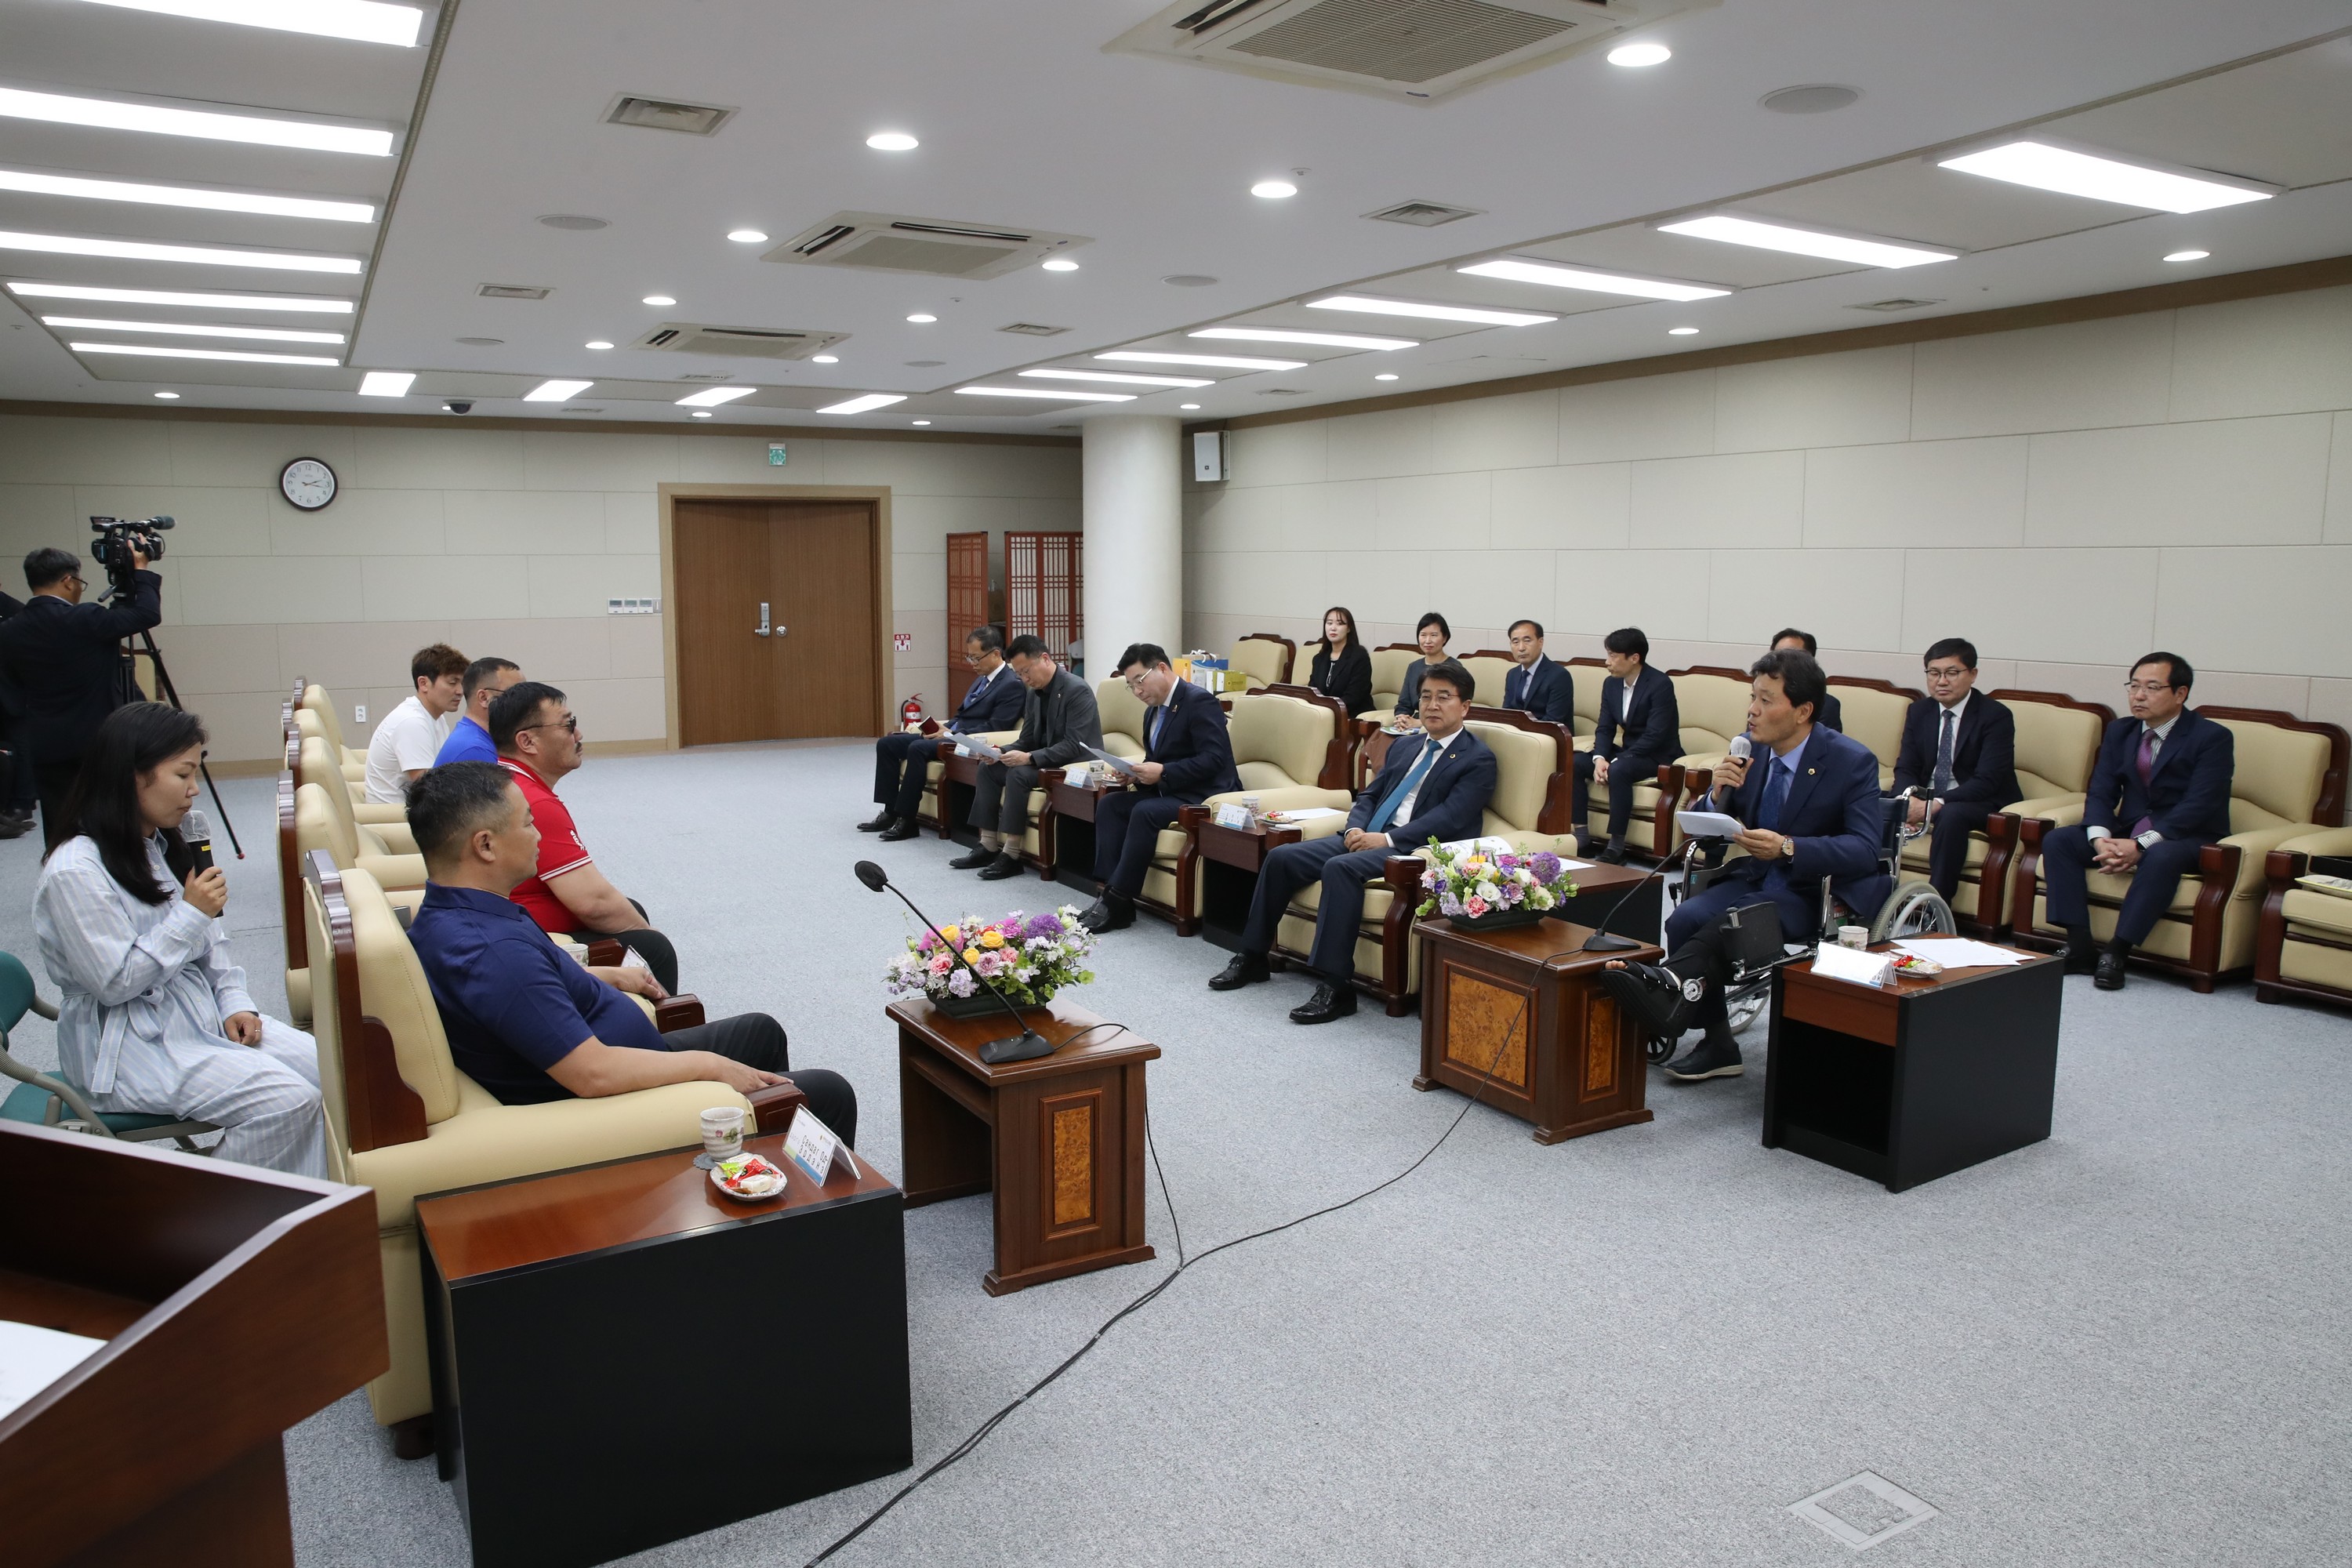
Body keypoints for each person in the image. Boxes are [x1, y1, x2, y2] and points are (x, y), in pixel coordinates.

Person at [401, 763, 856, 1138]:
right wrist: (710, 1067)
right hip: (613, 1098)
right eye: (527, 823)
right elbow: (592, 1073)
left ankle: (761, 1153)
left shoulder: (459, 911)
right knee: (829, 1093)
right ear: (485, 845)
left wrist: (613, 977)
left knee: (761, 1032)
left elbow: (536, 988)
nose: (539, 833)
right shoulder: (493, 953)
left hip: (620, 1048)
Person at [32, 704, 325, 1174]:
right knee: (287, 1102)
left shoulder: (156, 844)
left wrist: (235, 1002)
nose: (194, 790)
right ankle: (207, 1222)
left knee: (333, 1071)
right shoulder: (76, 871)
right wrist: (189, 914)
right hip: (128, 1046)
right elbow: (115, 982)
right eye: (183, 774)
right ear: (132, 777)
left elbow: (213, 944)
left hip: (194, 1017)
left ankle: (298, 1213)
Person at [1598, 651, 1888, 1083]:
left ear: (1803, 711)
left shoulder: (1851, 761)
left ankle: (1669, 987)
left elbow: (1865, 848)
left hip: (1812, 890)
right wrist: (1717, 795)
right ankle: (1718, 1043)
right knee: (1685, 918)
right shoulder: (1750, 750)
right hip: (1755, 875)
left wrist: (1790, 847)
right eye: (1753, 697)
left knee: (1733, 922)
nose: (1752, 710)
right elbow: (1712, 828)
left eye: (1767, 701)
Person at [1211, 659, 1496, 1024]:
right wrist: (1354, 830)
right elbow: (1368, 794)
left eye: (1444, 697)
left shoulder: (1478, 758)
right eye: (1425, 697)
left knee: (1340, 869)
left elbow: (1451, 818)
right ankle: (1252, 956)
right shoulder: (1406, 746)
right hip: (1369, 836)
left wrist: (1387, 838)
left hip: (1413, 848)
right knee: (1282, 857)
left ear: (1465, 706)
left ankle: (1336, 986)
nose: (1432, 705)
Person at [2038, 652, 2233, 991]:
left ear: (2181, 693)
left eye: (2152, 688)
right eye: (2134, 686)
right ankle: (2080, 944)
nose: (2139, 696)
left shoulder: (2211, 737)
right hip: (2128, 830)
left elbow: (2200, 804)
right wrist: (2100, 838)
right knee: (2061, 840)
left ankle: (2117, 951)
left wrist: (2142, 844)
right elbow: (2101, 791)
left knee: (2161, 856)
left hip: (2187, 835)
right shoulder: (2121, 731)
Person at [489, 681, 681, 994]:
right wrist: (650, 933)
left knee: (631, 912)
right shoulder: (532, 803)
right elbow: (594, 903)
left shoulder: (506, 780)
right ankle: (658, 1039)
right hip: (522, 940)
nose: (578, 735)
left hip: (508, 925)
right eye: (569, 725)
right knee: (652, 946)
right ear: (527, 741)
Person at [0, 545, 162, 849]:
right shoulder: (86, 619)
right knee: (109, 815)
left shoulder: (9, 630)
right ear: (68, 581)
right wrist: (140, 571)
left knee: (60, 823)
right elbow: (146, 614)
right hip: (97, 738)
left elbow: (11, 690)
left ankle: (63, 880)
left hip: (45, 742)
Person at [1077, 643, 1243, 933]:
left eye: (1140, 681)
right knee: (1111, 804)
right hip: (1171, 789)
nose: (1138, 691)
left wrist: (1164, 772)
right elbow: (1157, 759)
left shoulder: (1198, 701)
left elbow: (1214, 760)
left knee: (1144, 810)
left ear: (1162, 669)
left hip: (1204, 794)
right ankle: (1108, 892)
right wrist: (1136, 773)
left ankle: (1116, 899)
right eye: (1131, 686)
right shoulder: (1152, 710)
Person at [952, 634, 1102, 882]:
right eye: (1020, 674)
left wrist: (1029, 757)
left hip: (1072, 764)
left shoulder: (1077, 690)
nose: (1025, 679)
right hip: (1041, 759)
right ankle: (988, 844)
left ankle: (1011, 855)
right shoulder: (1033, 693)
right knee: (988, 769)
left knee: (1019, 774)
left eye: (1026, 671)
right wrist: (1000, 752)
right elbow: (1027, 738)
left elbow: (1075, 745)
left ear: (1044, 658)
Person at [861, 626, 1025, 841]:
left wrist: (952, 733)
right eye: (970, 658)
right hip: (952, 732)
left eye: (977, 658)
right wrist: (944, 728)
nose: (973, 664)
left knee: (917, 748)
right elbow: (962, 714)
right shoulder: (982, 678)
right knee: (887, 744)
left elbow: (996, 726)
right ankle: (890, 810)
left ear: (995, 654)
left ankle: (907, 819)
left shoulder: (1011, 685)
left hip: (970, 740)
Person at [1888, 638, 2017, 901]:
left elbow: (1988, 780)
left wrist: (1936, 803)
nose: (1941, 681)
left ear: (1973, 674)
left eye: (1951, 673)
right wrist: (1907, 802)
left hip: (1978, 799)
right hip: (1929, 794)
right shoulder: (1919, 711)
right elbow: (1907, 766)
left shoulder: (1995, 715)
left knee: (1951, 815)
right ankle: (1872, 897)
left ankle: (1936, 904)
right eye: (1934, 673)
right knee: (1875, 800)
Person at [1575, 627, 1680, 863]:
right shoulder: (1611, 684)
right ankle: (1582, 838)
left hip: (1657, 755)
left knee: (1619, 770)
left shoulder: (1660, 684)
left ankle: (1616, 846)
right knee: (1574, 762)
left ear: (1634, 658)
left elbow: (1656, 735)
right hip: (1629, 751)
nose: (1607, 662)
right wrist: (1599, 758)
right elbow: (1604, 728)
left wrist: (1615, 761)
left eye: (1613, 656)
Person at [365, 643, 466, 804]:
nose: (460, 691)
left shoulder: (436, 717)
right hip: (394, 820)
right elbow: (429, 790)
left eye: (462, 683)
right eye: (452, 683)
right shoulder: (412, 722)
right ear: (423, 683)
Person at [434, 656, 522, 768]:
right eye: (513, 694)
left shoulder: (477, 740)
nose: (523, 701)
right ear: (484, 698)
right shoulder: (474, 750)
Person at [1303, 605, 1374, 719]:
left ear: (1349, 628)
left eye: (1339, 624)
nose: (1333, 628)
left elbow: (1354, 697)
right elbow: (1313, 691)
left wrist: (1328, 711)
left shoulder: (1359, 657)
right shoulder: (1319, 659)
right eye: (1329, 623)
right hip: (1323, 715)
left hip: (1352, 716)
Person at [1501, 619, 1573, 726]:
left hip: (1549, 736)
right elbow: (1506, 713)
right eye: (1515, 642)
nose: (1521, 648)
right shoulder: (1513, 674)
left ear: (1540, 642)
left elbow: (1553, 720)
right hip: (1518, 735)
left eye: (1527, 641)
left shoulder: (1559, 676)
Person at [1771, 630, 1842, 731]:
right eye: (1776, 656)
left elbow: (1824, 744)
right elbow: (1752, 741)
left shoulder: (1827, 706)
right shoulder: (1760, 700)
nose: (1781, 663)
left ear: (1809, 662)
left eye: (1791, 656)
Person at [1390, 612, 1452, 728]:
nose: (1427, 640)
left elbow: (1452, 709)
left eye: (1434, 635)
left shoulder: (1454, 668)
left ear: (1444, 638)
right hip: (1413, 726)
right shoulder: (1414, 667)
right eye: (1423, 635)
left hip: (1441, 728)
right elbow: (1404, 704)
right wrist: (1402, 718)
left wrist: (1420, 724)